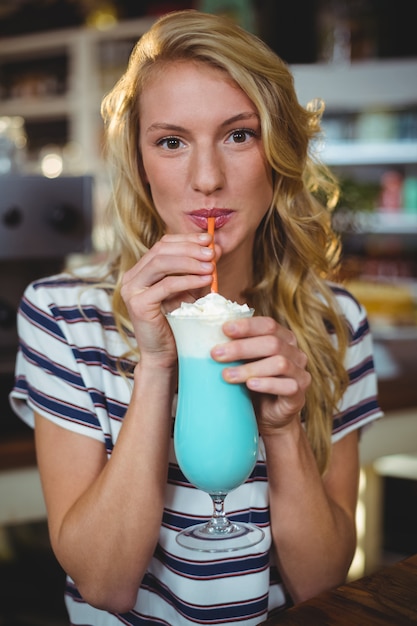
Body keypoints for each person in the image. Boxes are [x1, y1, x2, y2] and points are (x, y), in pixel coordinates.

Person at [10, 9, 383, 626]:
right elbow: (104, 584)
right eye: (171, 141)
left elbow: (320, 583)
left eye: (239, 134)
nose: (206, 179)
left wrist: (286, 431)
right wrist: (157, 365)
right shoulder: (63, 316)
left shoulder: (332, 322)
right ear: (140, 159)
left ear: (279, 151)